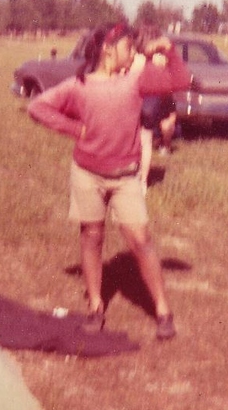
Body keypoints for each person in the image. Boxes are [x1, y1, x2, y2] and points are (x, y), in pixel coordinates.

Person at [27, 21, 191, 340]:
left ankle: (162, 311)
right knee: (91, 236)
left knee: (141, 241)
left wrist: (168, 49)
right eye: (128, 48)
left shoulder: (136, 81)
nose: (132, 55)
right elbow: (37, 106)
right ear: (108, 49)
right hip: (87, 175)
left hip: (125, 178)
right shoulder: (79, 85)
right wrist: (74, 129)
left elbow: (180, 79)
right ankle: (96, 307)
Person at [133, 27, 178, 195]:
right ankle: (143, 181)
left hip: (137, 101)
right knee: (146, 142)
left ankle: (131, 174)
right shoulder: (161, 59)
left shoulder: (137, 58)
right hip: (153, 104)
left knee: (133, 141)